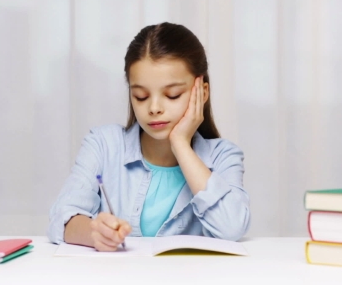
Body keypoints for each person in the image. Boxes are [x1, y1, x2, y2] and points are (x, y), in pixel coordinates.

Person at [47, 22, 250, 251]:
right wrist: (94, 233)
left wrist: (181, 144)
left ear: (202, 92)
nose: (154, 108)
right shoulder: (104, 145)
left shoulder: (223, 155)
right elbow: (61, 218)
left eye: (172, 95)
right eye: (141, 96)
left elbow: (232, 227)